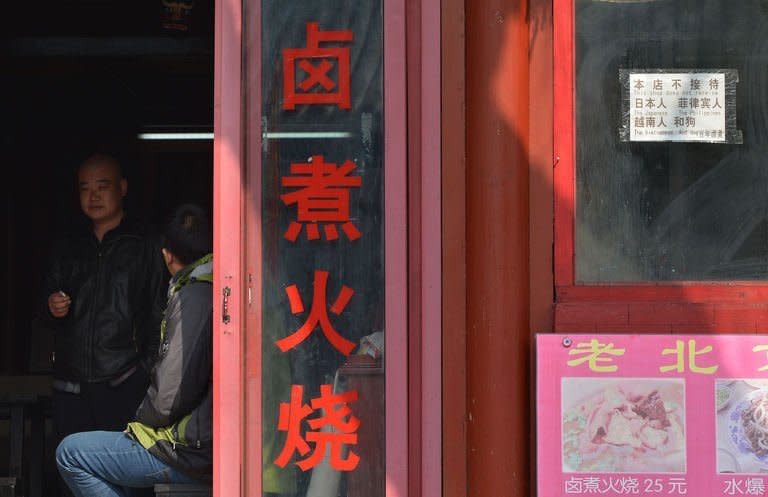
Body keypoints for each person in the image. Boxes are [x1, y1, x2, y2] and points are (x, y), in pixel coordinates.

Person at [56, 203, 214, 496]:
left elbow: (169, 396)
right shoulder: (216, 286)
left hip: (189, 450)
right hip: (203, 443)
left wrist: (141, 417)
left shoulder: (194, 295)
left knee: (71, 453)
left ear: (166, 254)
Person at [41, 154, 168, 463]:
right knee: (72, 469)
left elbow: (159, 311)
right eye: (85, 188)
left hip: (124, 382)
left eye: (102, 186)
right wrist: (51, 306)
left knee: (125, 471)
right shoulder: (68, 244)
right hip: (72, 385)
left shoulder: (144, 244)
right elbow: (45, 303)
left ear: (122, 188)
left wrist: (144, 373)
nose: (93, 196)